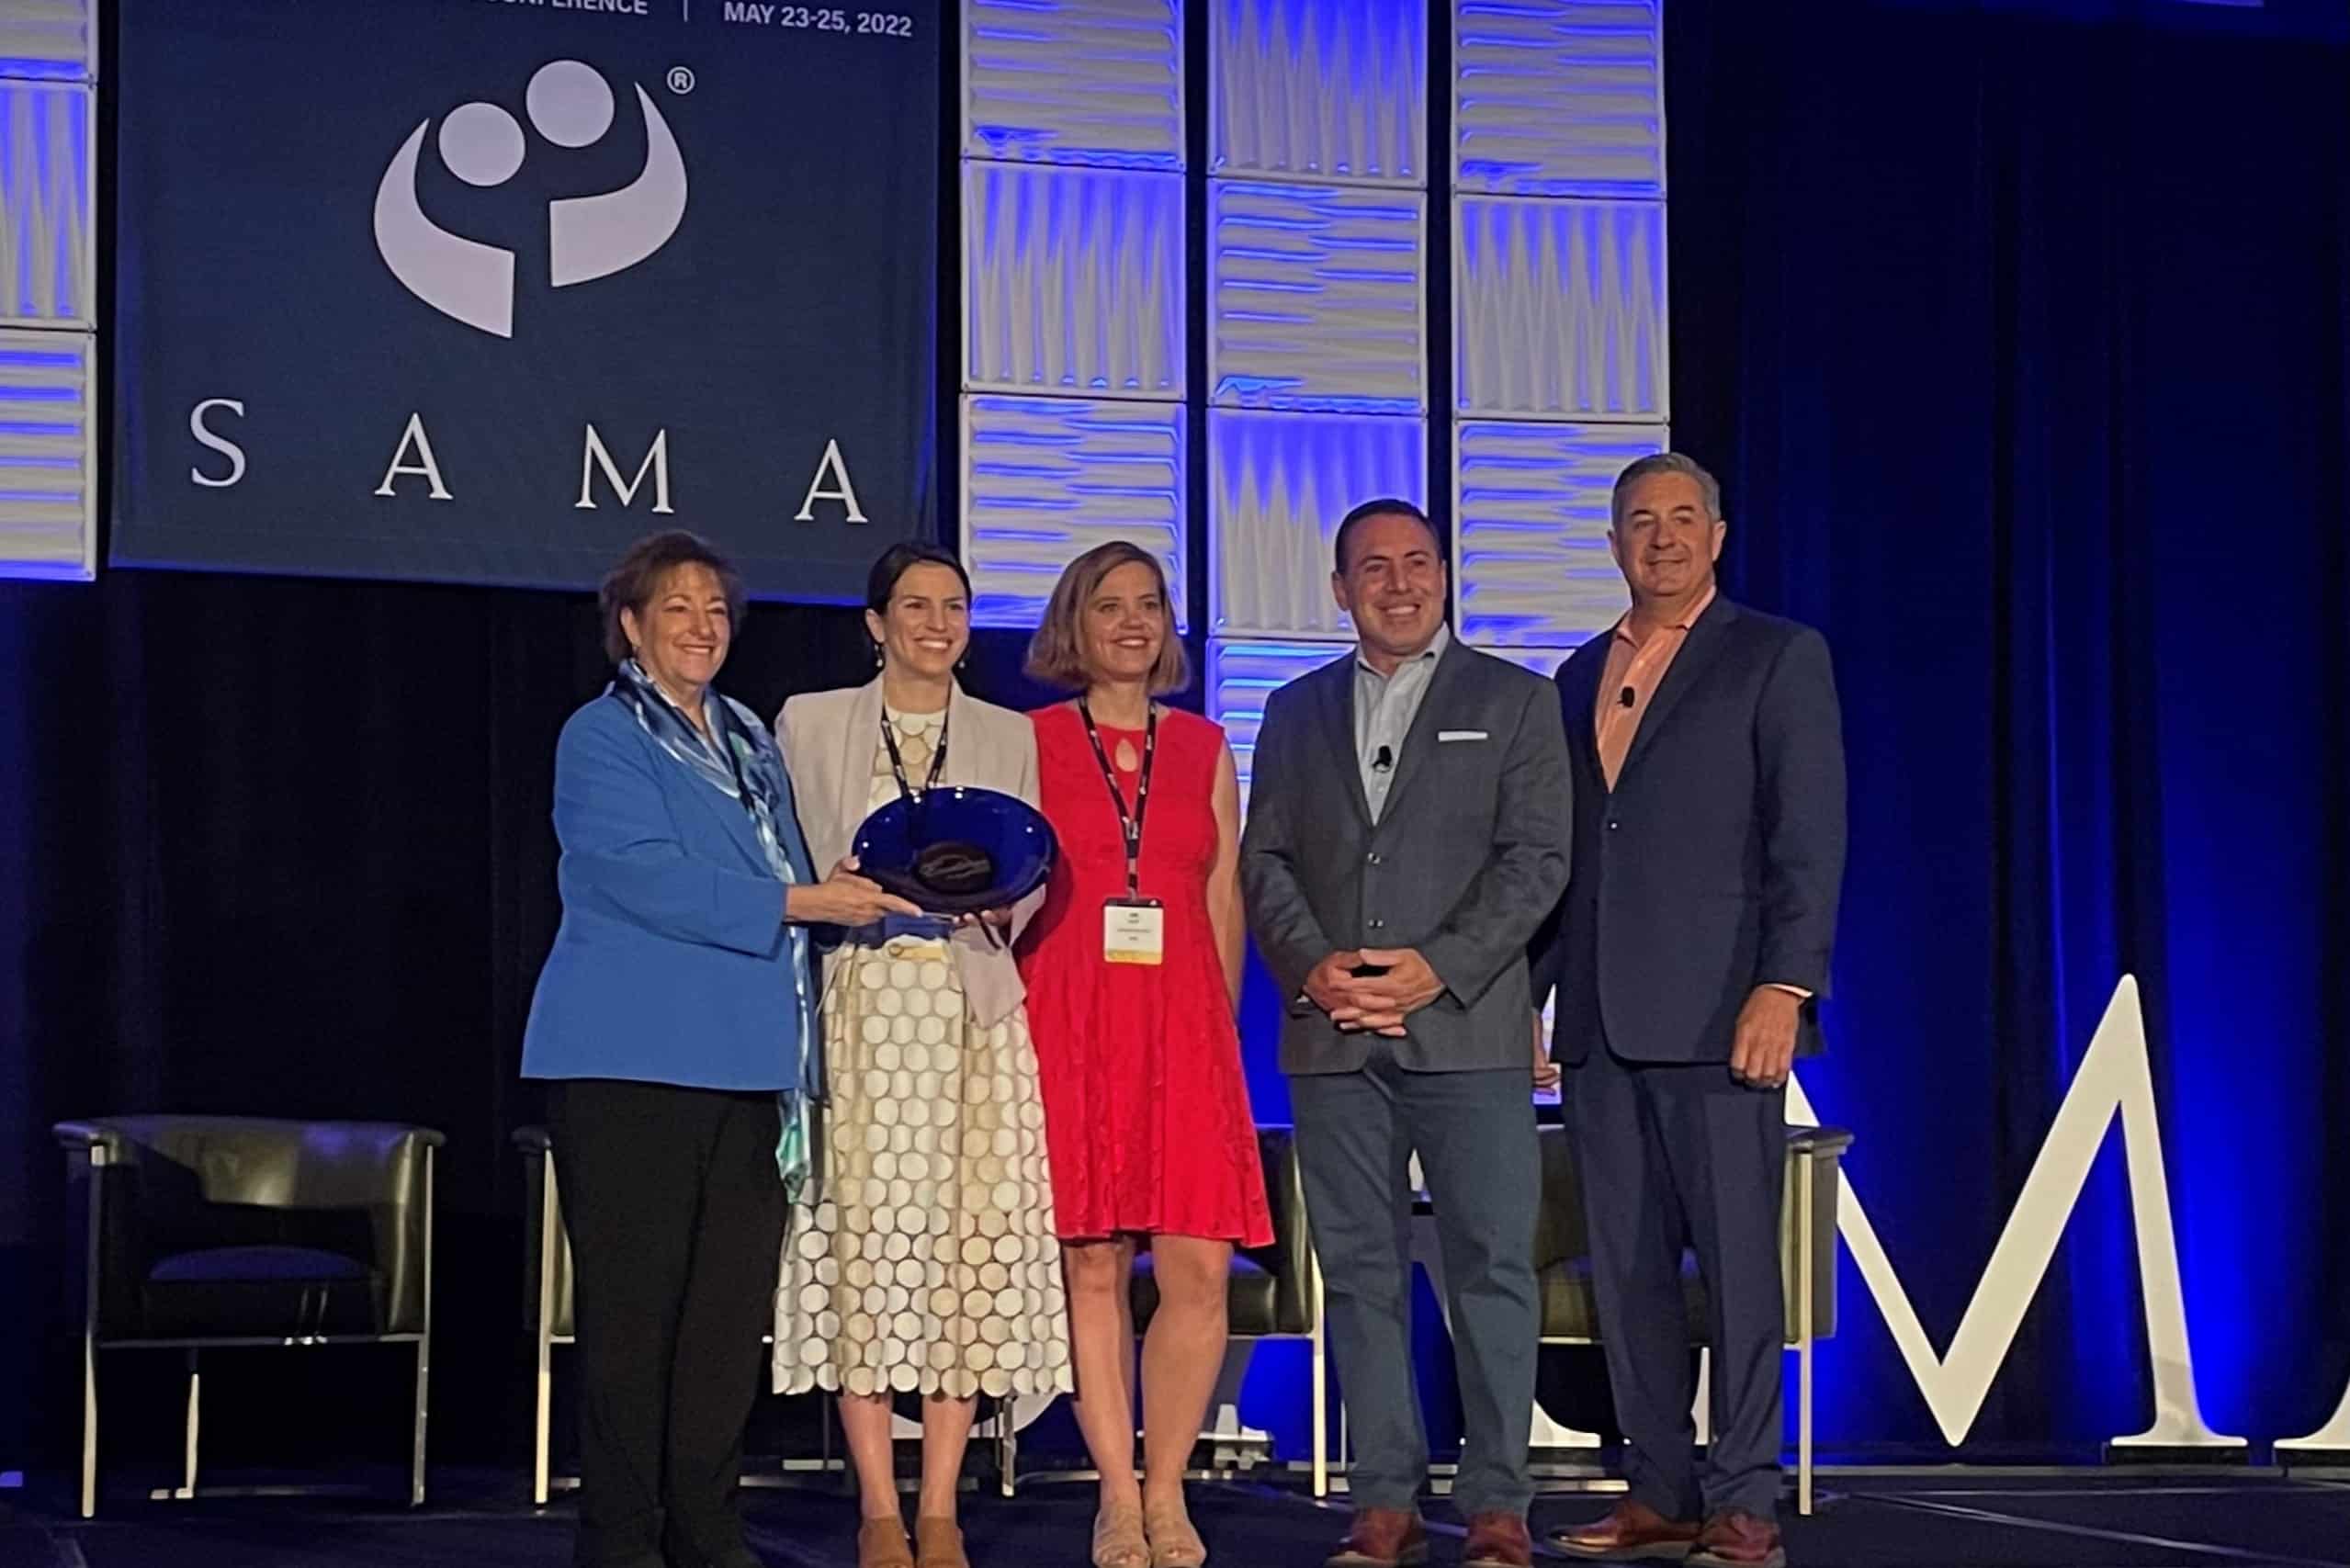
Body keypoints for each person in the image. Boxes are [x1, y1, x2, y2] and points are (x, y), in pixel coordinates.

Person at [522, 530, 921, 1568]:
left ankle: (706, 1526)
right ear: (631, 627)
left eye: (714, 610)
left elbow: (777, 875)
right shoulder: (601, 737)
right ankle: (618, 1536)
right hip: (629, 1062)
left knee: (718, 1326)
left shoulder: (746, 735)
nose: (700, 627)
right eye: (676, 609)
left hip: (750, 1062)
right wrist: (797, 897)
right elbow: (635, 874)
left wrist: (839, 887)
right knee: (632, 1319)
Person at [1239, 500, 1571, 1568]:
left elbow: (1536, 862)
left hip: (1465, 1031)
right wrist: (1315, 964)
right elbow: (1266, 862)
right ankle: (1381, 1499)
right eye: (1372, 568)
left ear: (1443, 576)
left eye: (1417, 562)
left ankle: (1495, 1506)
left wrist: (1439, 968)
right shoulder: (1291, 711)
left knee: (1489, 1268)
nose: (1397, 583)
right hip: (1333, 1033)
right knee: (1360, 1270)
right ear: (1338, 590)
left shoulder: (1516, 701)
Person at [1532, 453, 1846, 1568]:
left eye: (1679, 519)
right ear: (1612, 543)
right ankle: (1658, 1487)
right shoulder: (1573, 679)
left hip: (1724, 1018)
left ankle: (1744, 1495)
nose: (1659, 538)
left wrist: (1785, 984)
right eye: (1636, 522)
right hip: (1598, 1029)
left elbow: (1805, 838)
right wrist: (1528, 1001)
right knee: (1622, 1271)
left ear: (1716, 534)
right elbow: (1563, 860)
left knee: (1736, 1267)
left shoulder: (1773, 656)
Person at [771, 543, 1072, 1568]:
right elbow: (783, 858)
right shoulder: (809, 721)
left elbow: (1034, 866)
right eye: (913, 604)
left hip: (973, 1014)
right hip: (862, 1010)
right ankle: (876, 1509)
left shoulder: (1005, 732)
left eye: (952, 605)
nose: (934, 623)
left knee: (961, 1257)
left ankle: (937, 1506)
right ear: (874, 622)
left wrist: (1006, 901)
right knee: (866, 1253)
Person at [1016, 540, 1272, 1568]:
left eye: (1149, 605)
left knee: (1197, 1270)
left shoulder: (1206, 747)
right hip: (1069, 1019)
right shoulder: (1024, 740)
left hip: (1183, 1029)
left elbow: (1222, 902)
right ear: (1071, 627)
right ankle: (1115, 1499)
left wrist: (1211, 1033)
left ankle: (1169, 1491)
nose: (1132, 622)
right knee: (1089, 1265)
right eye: (1108, 605)